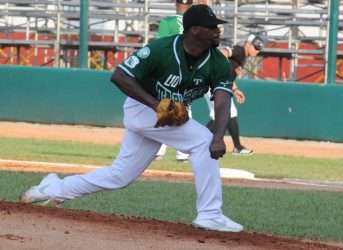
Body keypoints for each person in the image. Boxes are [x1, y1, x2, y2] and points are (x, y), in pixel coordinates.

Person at [20, 5, 244, 233]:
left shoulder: (217, 62)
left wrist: (219, 136)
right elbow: (119, 76)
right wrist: (156, 105)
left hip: (165, 113)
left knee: (120, 175)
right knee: (202, 141)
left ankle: (52, 188)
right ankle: (210, 214)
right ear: (195, 30)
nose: (218, 31)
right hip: (143, 108)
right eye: (212, 27)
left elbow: (223, 100)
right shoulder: (162, 49)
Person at [205, 33, 265, 155]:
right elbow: (222, 53)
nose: (257, 51)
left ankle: (237, 147)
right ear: (248, 44)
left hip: (219, 84)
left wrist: (235, 90)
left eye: (259, 49)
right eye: (255, 47)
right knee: (222, 115)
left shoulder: (243, 57)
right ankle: (196, 142)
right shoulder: (239, 50)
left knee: (230, 113)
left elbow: (230, 76)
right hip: (213, 82)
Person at [155, 0, 193, 162]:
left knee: (164, 104)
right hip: (188, 70)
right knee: (184, 107)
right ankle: (182, 151)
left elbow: (160, 46)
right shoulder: (195, 23)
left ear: (176, 5)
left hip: (169, 69)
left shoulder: (167, 22)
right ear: (190, 6)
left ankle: (159, 149)